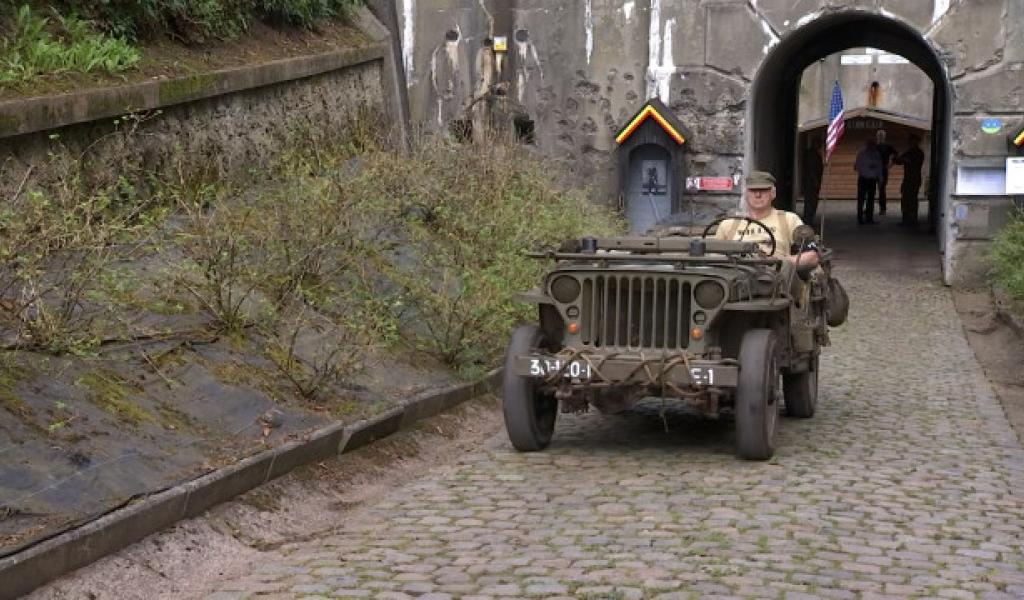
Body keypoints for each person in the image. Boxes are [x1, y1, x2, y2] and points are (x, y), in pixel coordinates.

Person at [715, 171, 819, 270]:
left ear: (773, 193)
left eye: (763, 190)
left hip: (775, 278)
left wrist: (782, 262)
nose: (758, 195)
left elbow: (812, 256)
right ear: (746, 194)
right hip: (736, 277)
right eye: (753, 190)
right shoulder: (728, 224)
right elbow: (713, 260)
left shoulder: (788, 219)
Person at [893, 133, 925, 227]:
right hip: (907, 178)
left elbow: (911, 161)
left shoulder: (919, 153)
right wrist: (896, 158)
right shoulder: (909, 151)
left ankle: (913, 220)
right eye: (910, 141)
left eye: (912, 141)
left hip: (914, 178)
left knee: (912, 200)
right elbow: (899, 161)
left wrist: (902, 159)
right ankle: (906, 219)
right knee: (905, 199)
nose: (910, 143)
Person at [854, 137, 883, 224]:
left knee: (871, 200)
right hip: (863, 178)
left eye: (873, 145)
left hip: (872, 180)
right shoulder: (861, 153)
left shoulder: (876, 154)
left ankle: (869, 218)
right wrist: (868, 168)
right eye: (870, 144)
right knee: (861, 199)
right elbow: (857, 166)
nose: (872, 146)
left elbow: (880, 167)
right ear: (867, 145)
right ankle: (860, 218)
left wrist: (880, 179)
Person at [801, 137, 824, 227]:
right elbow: (811, 170)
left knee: (812, 202)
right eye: (819, 144)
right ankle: (808, 221)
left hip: (813, 181)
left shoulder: (814, 154)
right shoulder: (811, 155)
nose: (821, 146)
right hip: (811, 182)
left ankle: (809, 220)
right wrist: (815, 181)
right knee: (811, 202)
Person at [875, 129, 897, 216]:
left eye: (882, 135)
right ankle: (869, 208)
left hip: (883, 170)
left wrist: (891, 164)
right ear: (877, 136)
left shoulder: (888, 147)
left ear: (884, 137)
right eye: (879, 135)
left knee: (881, 190)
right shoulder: (874, 147)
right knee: (871, 189)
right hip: (874, 170)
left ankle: (882, 209)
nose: (880, 137)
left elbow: (896, 154)